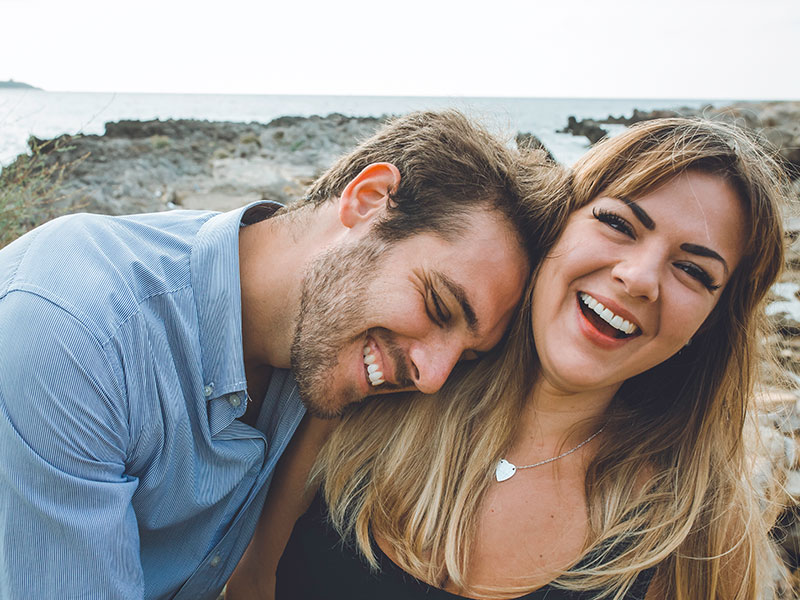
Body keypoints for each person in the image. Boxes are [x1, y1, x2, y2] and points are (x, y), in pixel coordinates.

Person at [0, 111, 568, 599]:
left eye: (465, 359)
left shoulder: (327, 343)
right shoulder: (74, 329)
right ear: (368, 201)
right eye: (439, 305)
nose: (433, 376)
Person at [234, 117, 790, 600]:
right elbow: (253, 584)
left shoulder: (700, 536)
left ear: (711, 324)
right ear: (556, 227)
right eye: (619, 223)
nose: (639, 278)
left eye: (694, 271)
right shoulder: (382, 386)